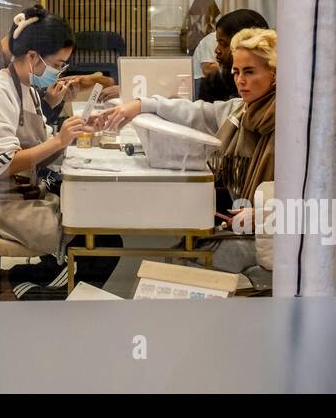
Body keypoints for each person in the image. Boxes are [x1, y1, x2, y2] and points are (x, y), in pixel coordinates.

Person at [0, 4, 120, 299]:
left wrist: (78, 132)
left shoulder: (26, 88)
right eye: (58, 63)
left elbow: (38, 148)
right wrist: (59, 140)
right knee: (98, 241)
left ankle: (20, 282)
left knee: (99, 225)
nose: (61, 72)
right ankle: (34, 294)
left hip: (15, 192)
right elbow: (5, 164)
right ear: (32, 57)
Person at [92, 27, 277, 279]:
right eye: (236, 72)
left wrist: (263, 216)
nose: (240, 80)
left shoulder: (292, 129)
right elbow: (195, 113)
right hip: (242, 227)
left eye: (249, 72)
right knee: (175, 259)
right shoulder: (239, 111)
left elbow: (318, 201)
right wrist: (140, 105)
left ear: (274, 74)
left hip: (273, 239)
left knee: (179, 268)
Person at [196, 9, 269, 102]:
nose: (217, 50)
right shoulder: (213, 82)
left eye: (225, 44)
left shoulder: (273, 89)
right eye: (218, 43)